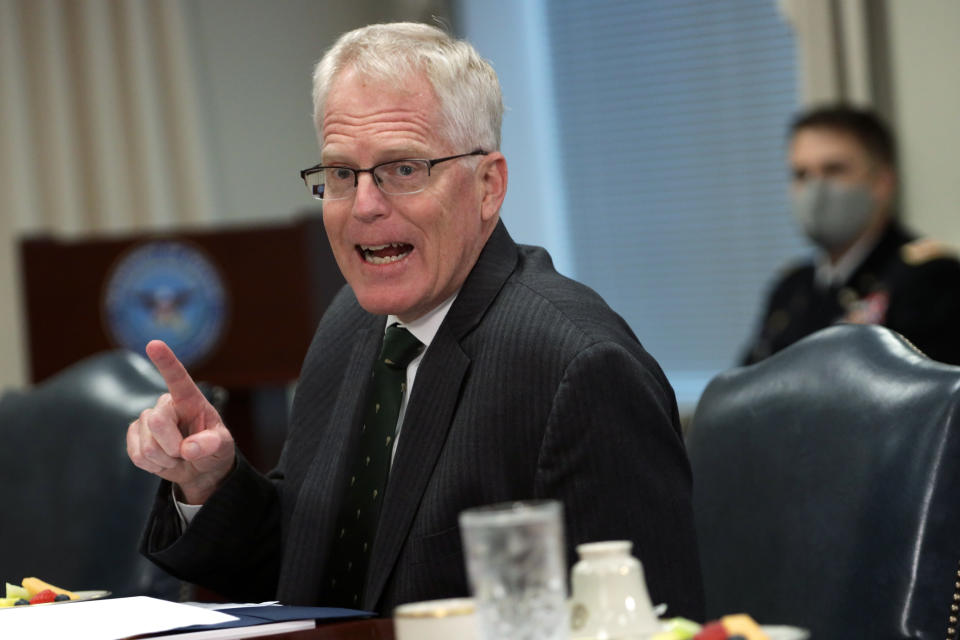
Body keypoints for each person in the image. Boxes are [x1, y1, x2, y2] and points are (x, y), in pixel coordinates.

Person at [127, 22, 704, 620]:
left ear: (488, 185)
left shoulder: (578, 367)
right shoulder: (351, 326)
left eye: (403, 169)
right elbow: (307, 573)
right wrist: (209, 482)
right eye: (342, 175)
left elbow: (648, 624)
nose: (366, 206)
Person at [742, 104, 960, 365]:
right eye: (801, 174)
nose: (815, 190)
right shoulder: (790, 289)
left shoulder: (930, 279)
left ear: (882, 182)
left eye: (834, 170)